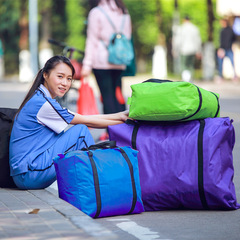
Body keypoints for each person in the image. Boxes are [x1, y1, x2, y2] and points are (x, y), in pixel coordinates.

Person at [9, 55, 128, 190]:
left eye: (69, 78)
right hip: (28, 175)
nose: (65, 83)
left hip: (27, 172)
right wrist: (121, 118)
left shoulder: (41, 98)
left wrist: (120, 116)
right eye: (60, 76)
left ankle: (89, 183)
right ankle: (100, 184)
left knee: (76, 133)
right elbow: (86, 121)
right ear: (46, 75)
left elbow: (84, 117)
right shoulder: (43, 104)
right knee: (80, 132)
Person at [81, 0, 132, 140]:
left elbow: (92, 40)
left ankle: (112, 134)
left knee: (107, 97)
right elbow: (127, 36)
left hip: (102, 61)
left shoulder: (96, 12)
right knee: (117, 96)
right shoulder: (124, 12)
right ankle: (124, 131)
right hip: (119, 60)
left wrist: (86, 65)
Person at [173, 16, 202, 82]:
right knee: (191, 66)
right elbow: (198, 40)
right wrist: (198, 50)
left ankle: (185, 80)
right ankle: (191, 79)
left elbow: (178, 40)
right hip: (192, 50)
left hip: (183, 50)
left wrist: (175, 50)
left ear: (183, 20)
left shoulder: (181, 28)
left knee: (184, 66)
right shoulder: (194, 28)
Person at [217, 18, 237, 82]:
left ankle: (234, 76)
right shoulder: (222, 30)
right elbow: (221, 41)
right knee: (220, 63)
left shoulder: (230, 30)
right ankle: (220, 76)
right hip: (223, 49)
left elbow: (234, 39)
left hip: (228, 49)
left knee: (232, 63)